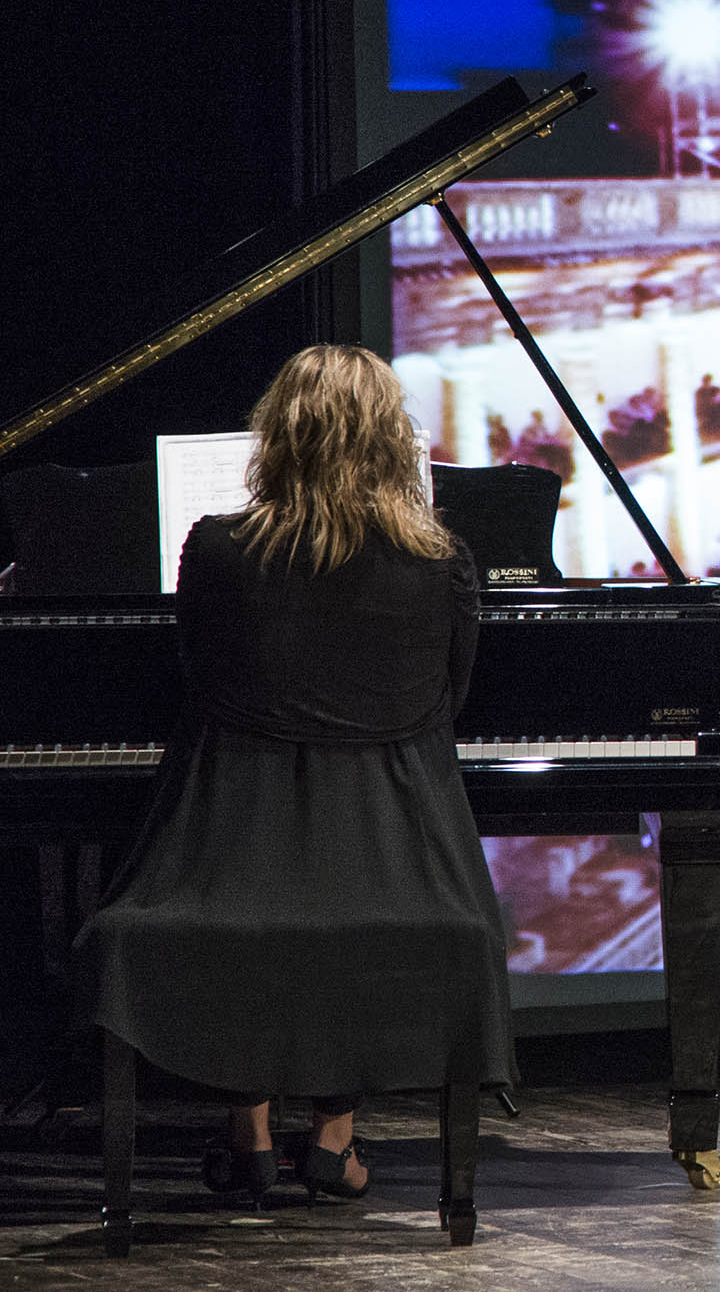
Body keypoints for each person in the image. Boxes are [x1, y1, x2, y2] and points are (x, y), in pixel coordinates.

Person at [76, 345, 514, 1207]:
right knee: (346, 897)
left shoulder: (217, 549)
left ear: (278, 434)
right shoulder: (443, 562)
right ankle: (333, 1140)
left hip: (231, 843)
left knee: (259, 896)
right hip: (396, 851)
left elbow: (198, 682)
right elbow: (445, 703)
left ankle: (249, 1137)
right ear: (392, 438)